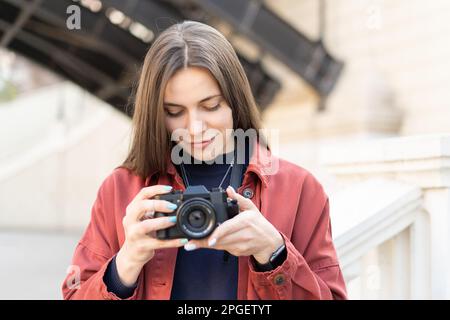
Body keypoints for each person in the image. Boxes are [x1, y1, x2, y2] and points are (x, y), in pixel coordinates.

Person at [61, 21, 347, 300]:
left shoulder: (299, 189)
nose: (195, 128)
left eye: (210, 106)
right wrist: (124, 266)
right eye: (174, 112)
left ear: (235, 100)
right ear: (156, 115)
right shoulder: (120, 190)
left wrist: (274, 254)